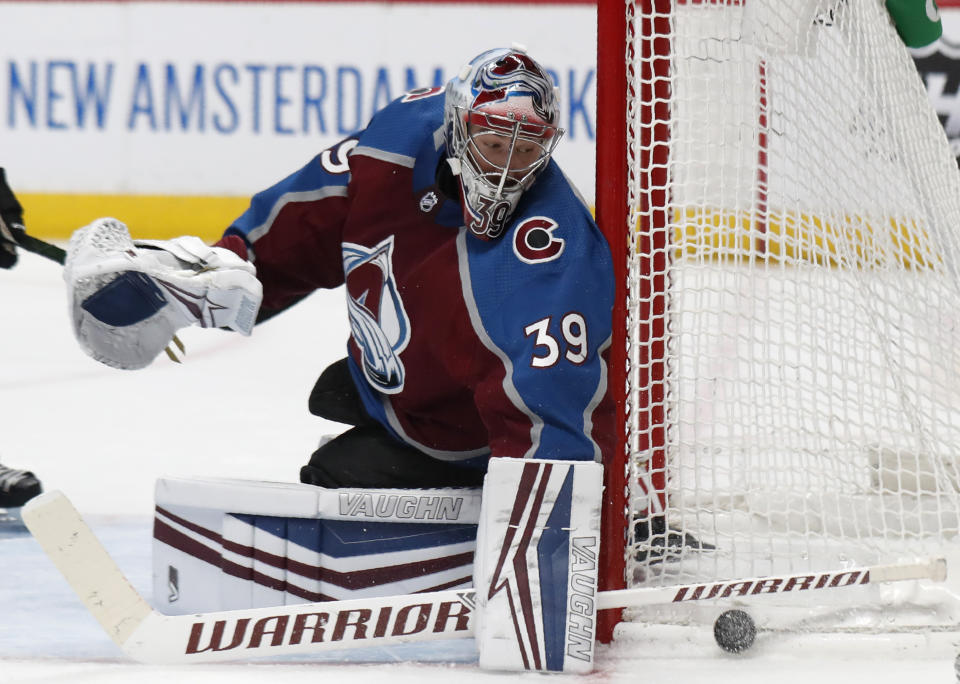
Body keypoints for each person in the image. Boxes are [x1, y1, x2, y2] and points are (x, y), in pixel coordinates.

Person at [61, 47, 617, 489]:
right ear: (456, 124)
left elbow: (552, 416)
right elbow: (304, 225)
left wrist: (551, 534)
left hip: (470, 438)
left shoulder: (549, 253)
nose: (505, 170)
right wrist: (224, 269)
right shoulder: (395, 145)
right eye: (495, 143)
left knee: (340, 475)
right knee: (340, 462)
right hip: (395, 385)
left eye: (525, 152)